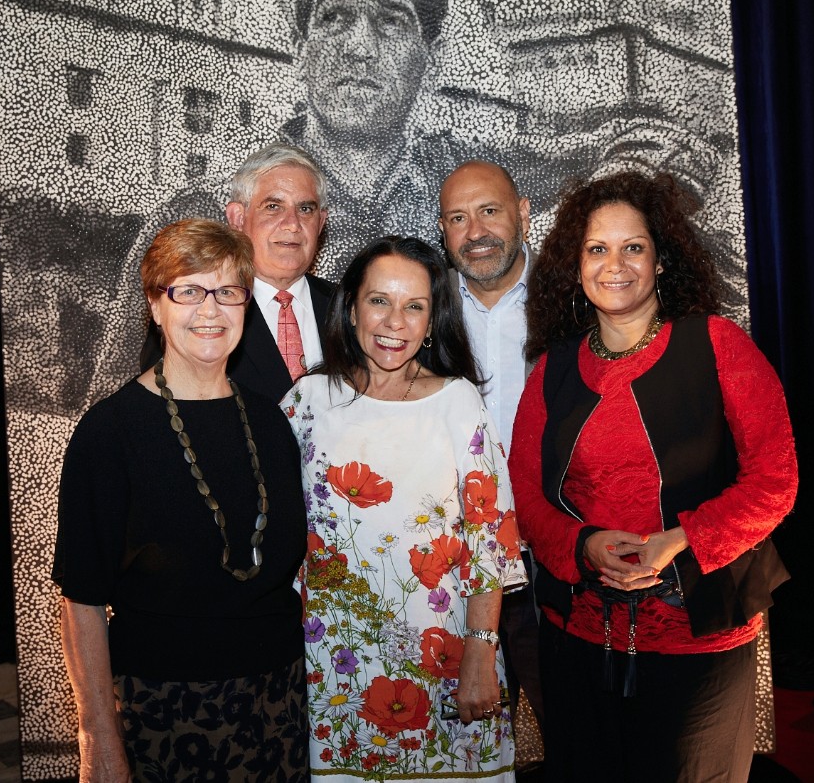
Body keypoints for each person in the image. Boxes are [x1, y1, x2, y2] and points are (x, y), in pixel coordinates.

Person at [509, 172, 797, 783]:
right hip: (579, 638)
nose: (615, 264)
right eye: (597, 249)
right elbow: (526, 493)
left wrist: (679, 540)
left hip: (700, 644)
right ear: (575, 265)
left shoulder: (718, 345)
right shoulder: (553, 369)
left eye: (633, 247)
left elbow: (775, 479)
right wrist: (582, 546)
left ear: (662, 260)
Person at [53, 220, 310, 782]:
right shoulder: (110, 433)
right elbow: (81, 602)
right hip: (163, 712)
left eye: (227, 291)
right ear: (155, 304)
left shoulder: (270, 420)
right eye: (188, 290)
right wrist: (98, 735)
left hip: (280, 703)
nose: (210, 309)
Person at [282, 236, 526, 780]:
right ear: (350, 308)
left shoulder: (458, 401)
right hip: (336, 669)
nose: (395, 321)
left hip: (447, 662)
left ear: (432, 320)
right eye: (379, 301)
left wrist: (481, 658)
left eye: (414, 306)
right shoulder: (307, 401)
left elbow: (491, 542)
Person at [283, 0, 468, 279]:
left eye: (391, 20)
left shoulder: (459, 219)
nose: (360, 48)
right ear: (299, 49)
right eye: (335, 16)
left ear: (431, 59)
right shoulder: (221, 210)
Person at [438, 161, 545, 752]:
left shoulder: (573, 297)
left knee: (582, 736)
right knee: (462, 745)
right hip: (455, 574)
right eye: (457, 217)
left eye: (489, 211)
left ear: (523, 212)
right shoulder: (422, 311)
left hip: (554, 566)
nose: (475, 231)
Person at [128, 143, 334, 406]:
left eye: (306, 209)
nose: (293, 224)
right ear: (238, 218)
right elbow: (161, 408)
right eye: (273, 206)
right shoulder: (199, 310)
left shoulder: (350, 308)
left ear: (321, 223)